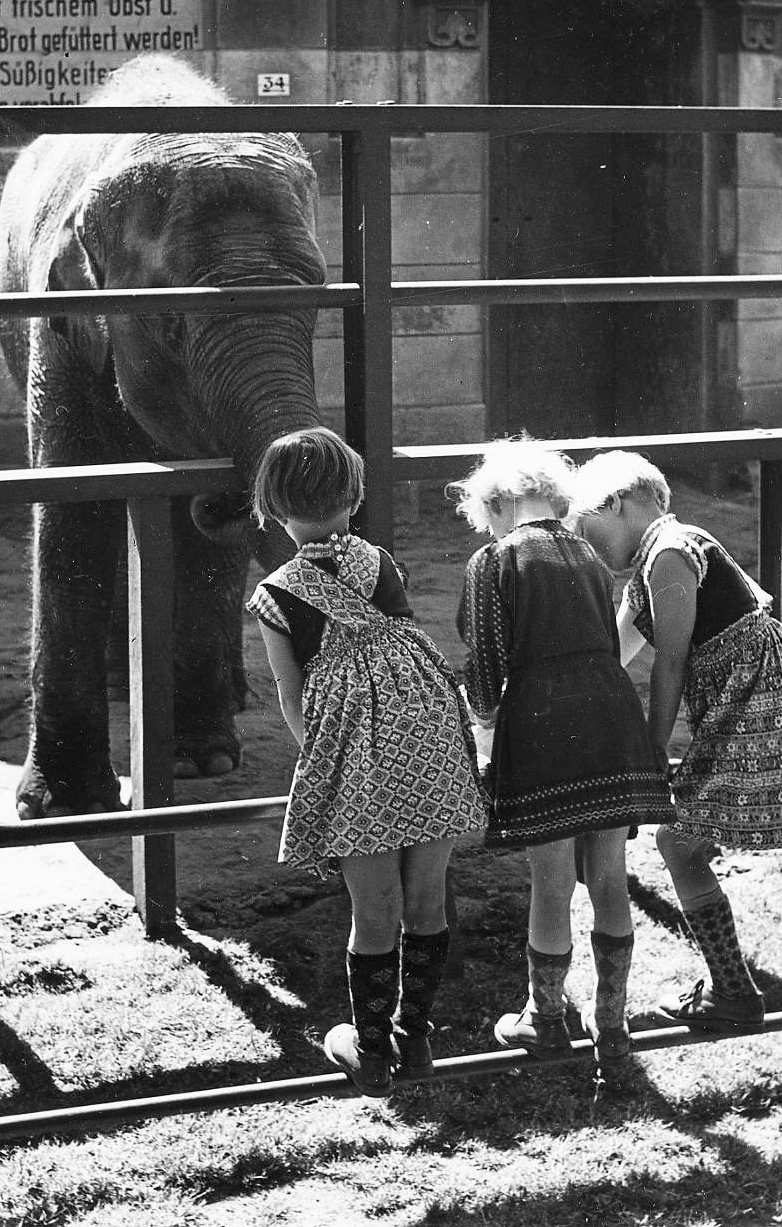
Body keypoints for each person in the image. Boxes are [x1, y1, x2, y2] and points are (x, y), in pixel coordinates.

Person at [246, 427, 488, 1097]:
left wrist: (320, 755)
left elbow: (289, 691)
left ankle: (371, 1049)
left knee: (373, 906)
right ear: (352, 497)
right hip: (430, 737)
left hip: (356, 759)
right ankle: (417, 1037)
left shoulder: (275, 593)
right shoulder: (381, 562)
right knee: (425, 898)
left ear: (271, 506)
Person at [570, 450, 782, 1032]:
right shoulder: (652, 564)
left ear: (616, 505)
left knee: (679, 842)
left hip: (764, 719)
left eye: (587, 530)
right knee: (679, 843)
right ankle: (732, 989)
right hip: (744, 714)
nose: (587, 547)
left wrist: (644, 755)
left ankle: (734, 993)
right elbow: (613, 659)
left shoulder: (669, 553)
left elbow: (667, 666)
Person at [450, 437, 675, 1082]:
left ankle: (545, 1017)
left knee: (551, 881)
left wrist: (484, 735)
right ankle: (614, 1023)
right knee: (608, 873)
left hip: (544, 727)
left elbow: (487, 669)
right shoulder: (590, 556)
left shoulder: (495, 562)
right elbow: (608, 640)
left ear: (494, 505)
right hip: (611, 718)